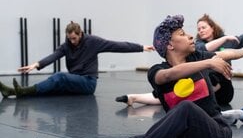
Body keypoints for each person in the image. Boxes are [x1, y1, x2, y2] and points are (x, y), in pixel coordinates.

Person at [33, 14, 243, 138]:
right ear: (170, 46)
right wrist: (208, 65)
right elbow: (169, 76)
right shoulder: (158, 71)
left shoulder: (198, 57)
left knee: (185, 109)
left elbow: (224, 55)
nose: (191, 36)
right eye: (183, 34)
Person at [115, 14, 243, 106]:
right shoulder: (197, 47)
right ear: (170, 45)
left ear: (212, 27)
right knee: (173, 91)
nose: (197, 32)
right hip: (192, 88)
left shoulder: (212, 46)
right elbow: (168, 75)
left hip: (219, 88)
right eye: (198, 28)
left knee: (209, 76)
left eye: (203, 27)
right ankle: (134, 97)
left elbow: (230, 49)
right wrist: (212, 60)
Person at [0, 21, 154, 98]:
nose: (72, 41)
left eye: (74, 38)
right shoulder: (67, 45)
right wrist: (36, 64)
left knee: (59, 77)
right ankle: (13, 92)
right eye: (69, 38)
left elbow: (117, 45)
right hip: (75, 80)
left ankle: (22, 91)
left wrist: (141, 47)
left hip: (88, 83)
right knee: (51, 90)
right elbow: (54, 55)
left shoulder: (93, 42)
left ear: (80, 34)